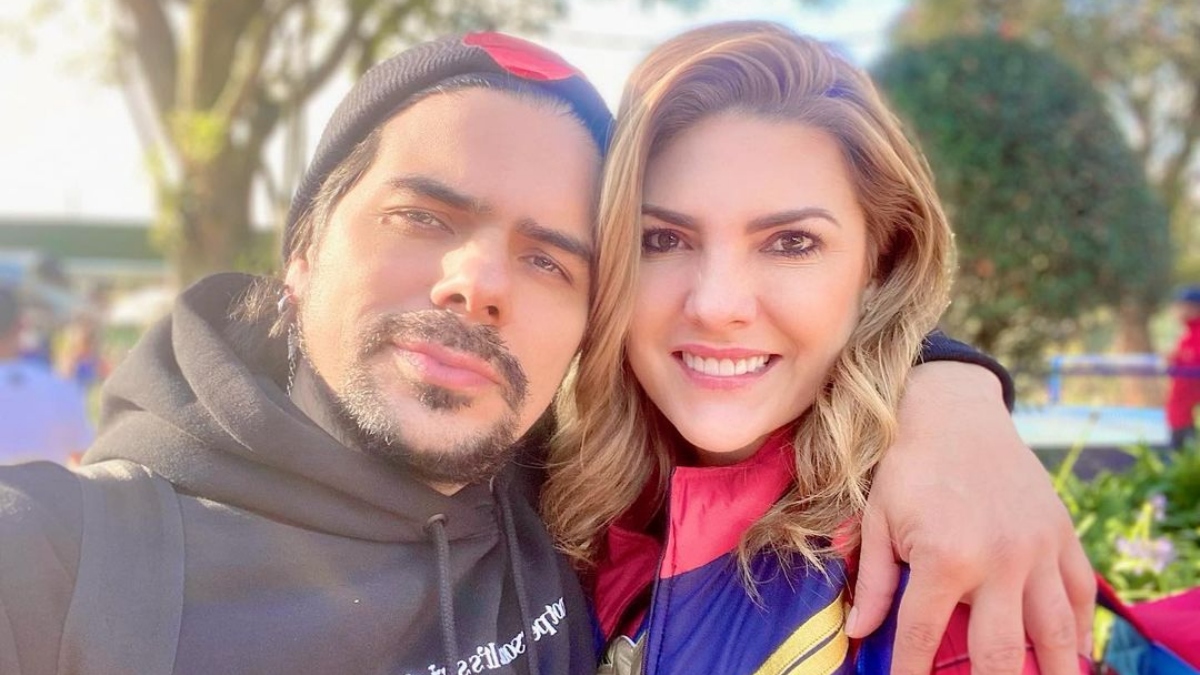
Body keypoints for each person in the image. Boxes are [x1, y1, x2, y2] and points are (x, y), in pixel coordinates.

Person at [0, 32, 1087, 675]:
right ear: (301, 251)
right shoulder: (57, 563)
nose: (478, 282)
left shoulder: (573, 514)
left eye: (551, 258)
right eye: (422, 216)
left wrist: (949, 392)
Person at [542, 22, 1093, 675]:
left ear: (879, 263)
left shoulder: (941, 577)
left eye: (791, 242)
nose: (716, 305)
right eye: (662, 239)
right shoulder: (560, 501)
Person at [0, 285, 93, 466]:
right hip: (48, 484)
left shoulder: (60, 388)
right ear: (21, 325)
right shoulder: (60, 389)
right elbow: (85, 462)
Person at [1166, 285, 1200, 451]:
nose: (1180, 311)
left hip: (1189, 415)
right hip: (1180, 416)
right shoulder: (1187, 335)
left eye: (1185, 306)